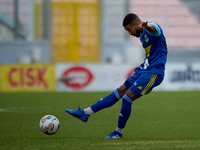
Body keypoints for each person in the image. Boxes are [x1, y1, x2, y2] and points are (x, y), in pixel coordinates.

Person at [65, 13, 167, 139]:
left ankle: (118, 132)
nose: (129, 33)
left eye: (129, 30)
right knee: (119, 92)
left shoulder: (152, 30)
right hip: (144, 69)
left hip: (154, 72)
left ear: (137, 24)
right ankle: (85, 113)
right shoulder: (141, 35)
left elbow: (154, 28)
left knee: (127, 98)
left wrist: (148, 26)